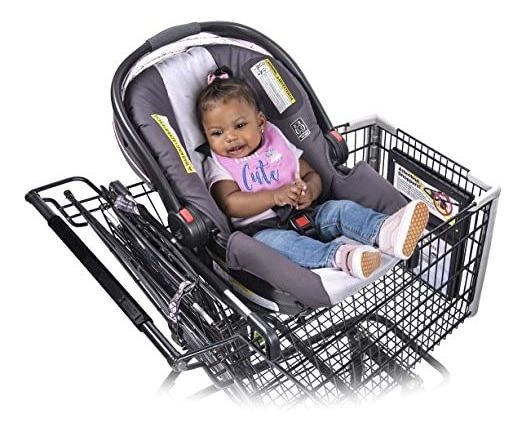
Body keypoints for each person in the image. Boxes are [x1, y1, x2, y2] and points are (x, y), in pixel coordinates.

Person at [198, 68, 429, 279]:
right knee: (281, 245)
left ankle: (386, 232)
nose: (230, 137)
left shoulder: (276, 144)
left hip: (308, 212)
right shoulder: (217, 163)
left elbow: (311, 174)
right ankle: (343, 257)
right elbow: (230, 203)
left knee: (340, 209)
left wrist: (310, 190)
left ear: (260, 122)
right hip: (263, 230)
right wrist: (275, 196)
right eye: (217, 133)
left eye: (239, 126)